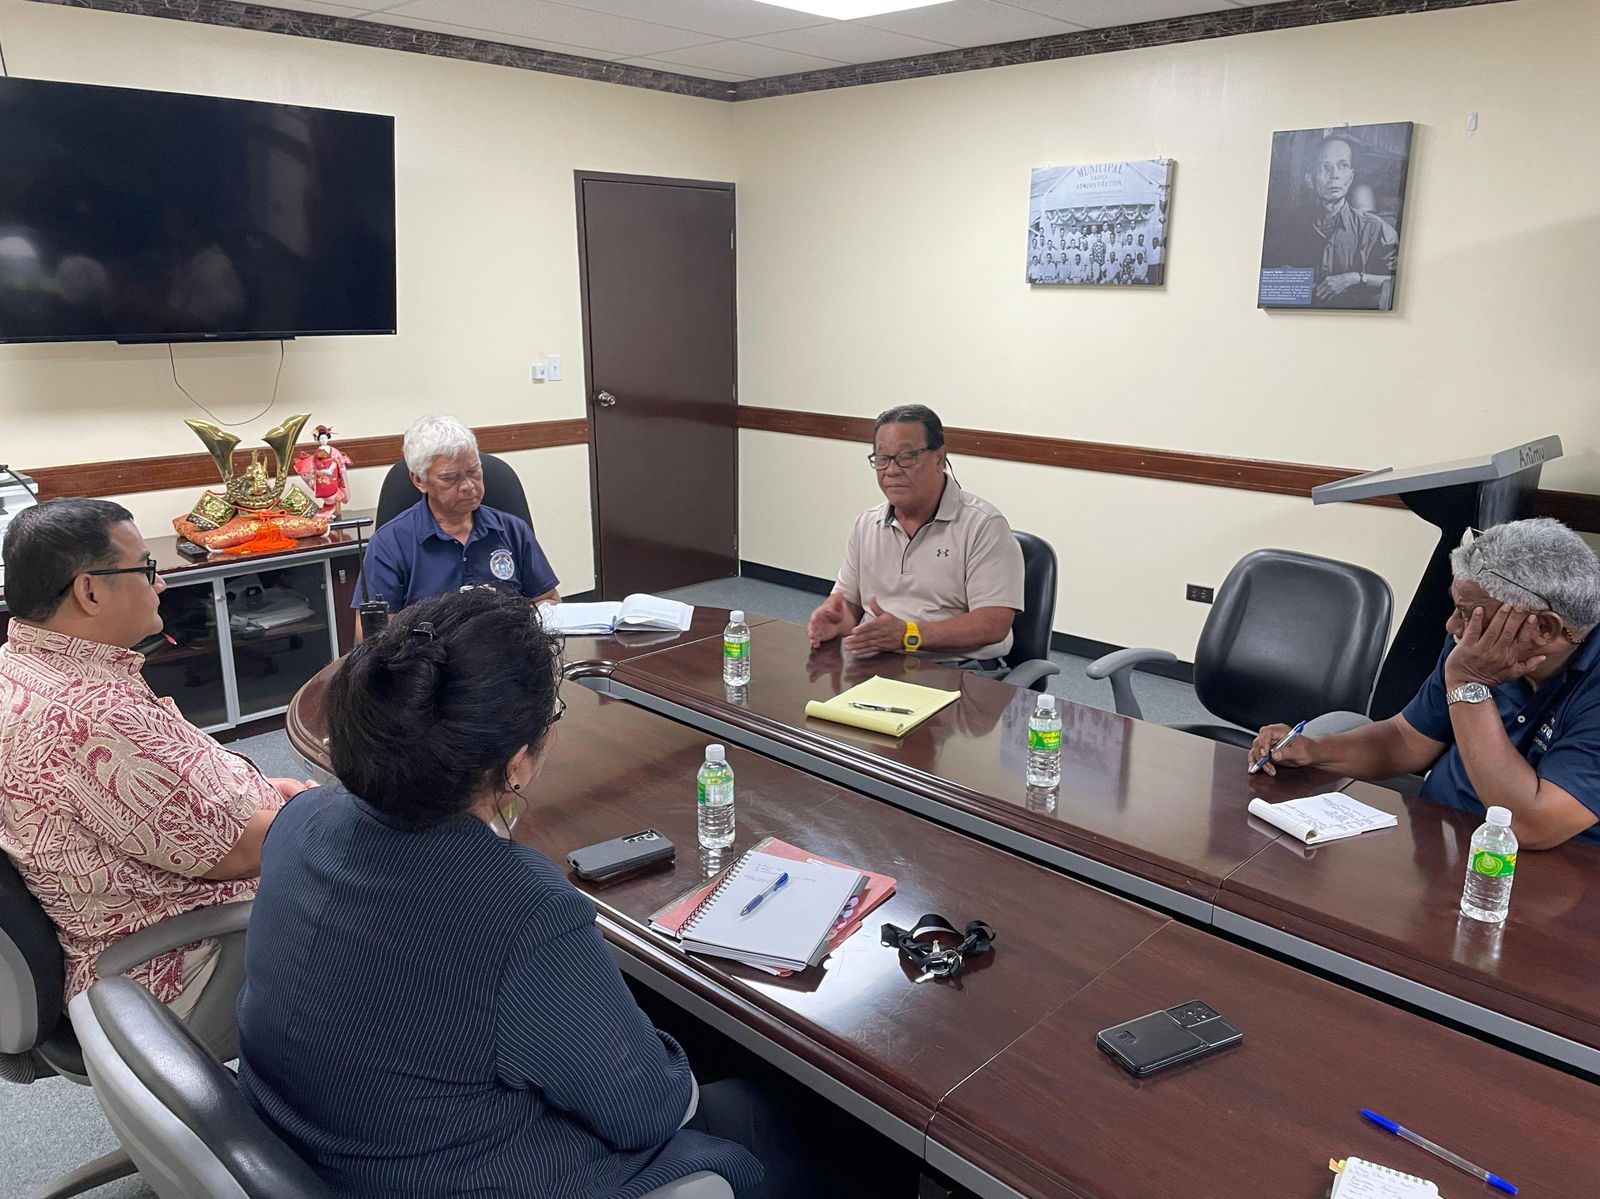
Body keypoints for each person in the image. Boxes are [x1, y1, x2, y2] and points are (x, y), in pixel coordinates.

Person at [236, 591, 808, 1198]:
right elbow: (649, 1111)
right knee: (769, 1117)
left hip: (307, 1143)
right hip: (445, 1175)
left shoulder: (302, 818)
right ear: (514, 765)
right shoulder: (519, 908)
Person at [0, 499, 297, 1013]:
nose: (160, 584)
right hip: (177, 963)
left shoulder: (23, 667)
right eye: (147, 568)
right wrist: (321, 812)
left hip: (134, 919)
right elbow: (241, 853)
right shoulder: (93, 718)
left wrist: (268, 793)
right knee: (402, 883)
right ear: (89, 590)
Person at [1251, 519, 1600, 849]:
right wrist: (1315, 751)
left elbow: (1528, 826)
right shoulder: (1475, 645)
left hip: (1535, 875)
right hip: (1438, 831)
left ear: (1545, 629)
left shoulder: (1474, 664)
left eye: (1467, 614)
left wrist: (1468, 685)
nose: (1452, 627)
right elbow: (1409, 738)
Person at [806, 404, 1024, 670]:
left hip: (959, 669)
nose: (892, 470)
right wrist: (837, 617)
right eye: (882, 458)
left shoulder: (983, 525)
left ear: (940, 458)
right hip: (878, 661)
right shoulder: (866, 524)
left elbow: (993, 623)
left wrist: (909, 634)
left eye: (906, 457)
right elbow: (847, 601)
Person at [354, 413, 560, 618]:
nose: (468, 486)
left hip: (505, 645)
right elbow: (371, 631)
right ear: (419, 481)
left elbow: (549, 600)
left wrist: (510, 619)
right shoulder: (389, 543)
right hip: (429, 649)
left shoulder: (512, 530)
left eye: (474, 471)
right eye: (450, 478)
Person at [1266, 134, 1397, 308]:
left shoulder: (1376, 229)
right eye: (1324, 167)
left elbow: (1400, 282)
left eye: (1343, 166)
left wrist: (1354, 278)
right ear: (1309, 180)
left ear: (1350, 177)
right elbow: (1269, 286)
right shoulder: (1289, 228)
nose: (1334, 175)